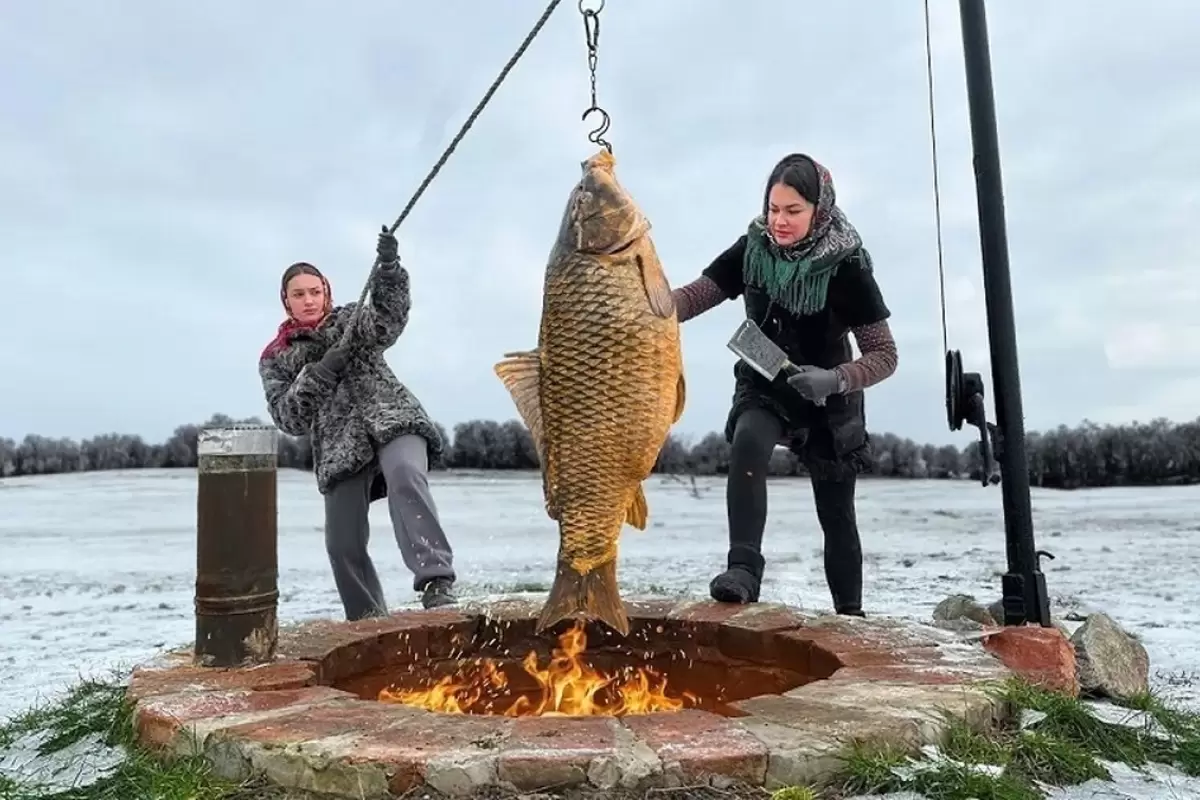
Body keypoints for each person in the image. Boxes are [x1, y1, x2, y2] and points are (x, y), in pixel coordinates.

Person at [670, 153, 899, 616]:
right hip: (766, 379)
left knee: (836, 513)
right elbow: (698, 294)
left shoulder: (847, 265)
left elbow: (885, 355)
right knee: (748, 441)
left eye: (793, 211)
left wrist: (836, 379)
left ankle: (850, 615)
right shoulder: (753, 247)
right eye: (774, 209)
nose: (780, 221)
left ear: (820, 209)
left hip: (830, 394)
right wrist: (651, 306)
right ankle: (743, 571)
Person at [258, 227, 458, 617]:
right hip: (339, 447)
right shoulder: (275, 358)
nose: (309, 300)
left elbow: (389, 319)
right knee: (342, 543)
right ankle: (368, 623)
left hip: (394, 419)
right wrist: (320, 373)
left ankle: (436, 581)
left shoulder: (350, 320)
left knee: (404, 474)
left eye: (315, 291)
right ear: (286, 300)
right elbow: (288, 418)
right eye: (299, 294)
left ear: (326, 292)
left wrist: (388, 269)